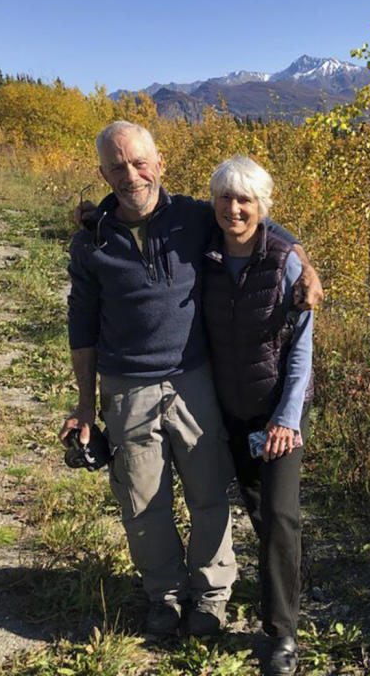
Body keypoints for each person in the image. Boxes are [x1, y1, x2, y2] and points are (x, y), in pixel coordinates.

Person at [59, 121, 321, 637]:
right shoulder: (89, 241)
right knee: (143, 501)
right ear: (103, 173)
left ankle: (211, 597)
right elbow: (81, 325)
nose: (130, 174)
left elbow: (258, 223)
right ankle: (166, 596)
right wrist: (85, 407)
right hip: (126, 385)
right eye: (117, 166)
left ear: (160, 164)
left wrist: (306, 265)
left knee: (208, 495)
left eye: (139, 162)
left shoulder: (194, 216)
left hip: (194, 380)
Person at [202, 156, 311, 676]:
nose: (234, 208)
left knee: (281, 517)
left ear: (262, 207)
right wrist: (97, 217)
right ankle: (281, 584)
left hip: (277, 412)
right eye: (225, 198)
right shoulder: (203, 251)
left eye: (245, 199)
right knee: (261, 514)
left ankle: (282, 634)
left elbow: (302, 351)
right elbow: (153, 206)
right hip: (230, 408)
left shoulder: (286, 260)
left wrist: (286, 420)